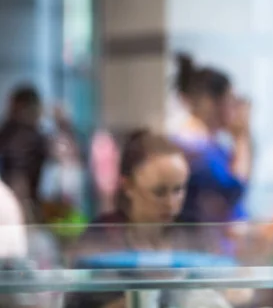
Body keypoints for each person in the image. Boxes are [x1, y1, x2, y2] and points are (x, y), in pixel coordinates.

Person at [66, 129, 236, 308]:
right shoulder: (101, 238)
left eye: (178, 190)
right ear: (128, 186)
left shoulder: (193, 233)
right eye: (159, 192)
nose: (171, 204)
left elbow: (233, 287)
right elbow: (76, 302)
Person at [172, 54, 252, 222]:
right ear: (210, 102)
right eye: (230, 100)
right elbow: (233, 189)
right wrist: (241, 136)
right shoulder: (192, 146)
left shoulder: (211, 144)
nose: (235, 108)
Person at [0, 85, 47, 222]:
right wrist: (25, 214)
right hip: (17, 205)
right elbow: (18, 178)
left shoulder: (7, 132)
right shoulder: (24, 135)